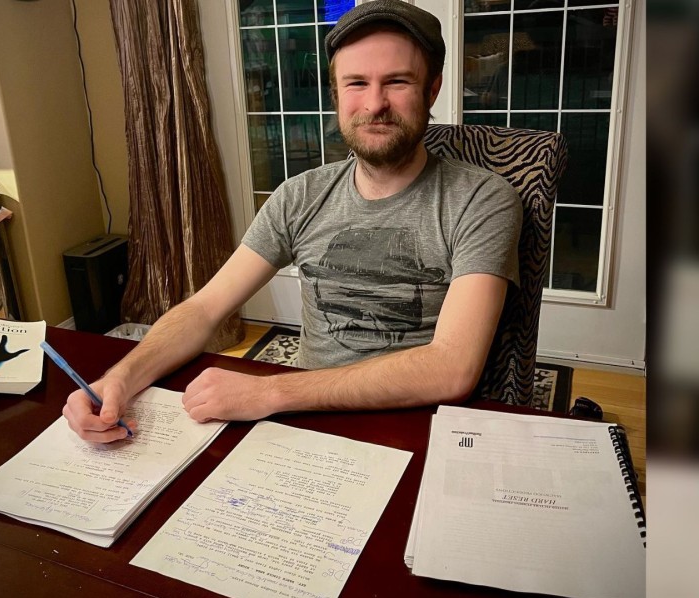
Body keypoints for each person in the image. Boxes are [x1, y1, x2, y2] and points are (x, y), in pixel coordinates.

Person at [64, 0, 522, 443]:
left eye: (397, 82)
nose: (374, 103)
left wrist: (268, 392)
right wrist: (120, 377)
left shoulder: (481, 200)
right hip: (303, 428)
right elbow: (203, 310)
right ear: (336, 94)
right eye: (356, 83)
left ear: (432, 89)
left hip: (419, 431)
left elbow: (452, 368)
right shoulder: (299, 196)